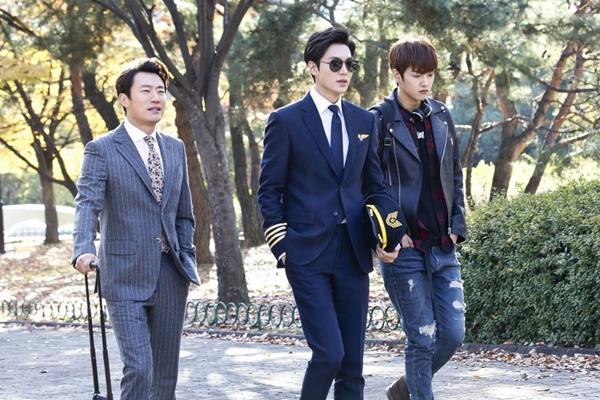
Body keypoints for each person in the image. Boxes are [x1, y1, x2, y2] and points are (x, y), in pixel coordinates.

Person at [257, 27, 398, 400]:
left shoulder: (364, 121)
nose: (344, 71)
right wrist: (282, 247)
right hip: (306, 254)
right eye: (335, 64)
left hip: (353, 253)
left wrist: (388, 235)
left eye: (349, 64)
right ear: (312, 67)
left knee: (352, 364)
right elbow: (269, 190)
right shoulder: (286, 120)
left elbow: (375, 186)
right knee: (329, 354)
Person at [71, 58, 199, 400]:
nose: (156, 97)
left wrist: (186, 254)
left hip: (171, 273)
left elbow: (184, 212)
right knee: (140, 367)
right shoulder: (101, 149)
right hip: (123, 273)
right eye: (146, 91)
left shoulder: (175, 148)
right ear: (124, 99)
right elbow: (87, 202)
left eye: (161, 90)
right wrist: (83, 248)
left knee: (165, 376)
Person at [370, 38, 468, 400]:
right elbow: (369, 183)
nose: (425, 82)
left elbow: (454, 174)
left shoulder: (441, 115)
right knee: (422, 337)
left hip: (443, 244)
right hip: (405, 249)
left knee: (453, 334)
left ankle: (403, 390)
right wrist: (391, 234)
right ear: (397, 75)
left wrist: (457, 226)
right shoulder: (378, 120)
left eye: (429, 74)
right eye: (417, 74)